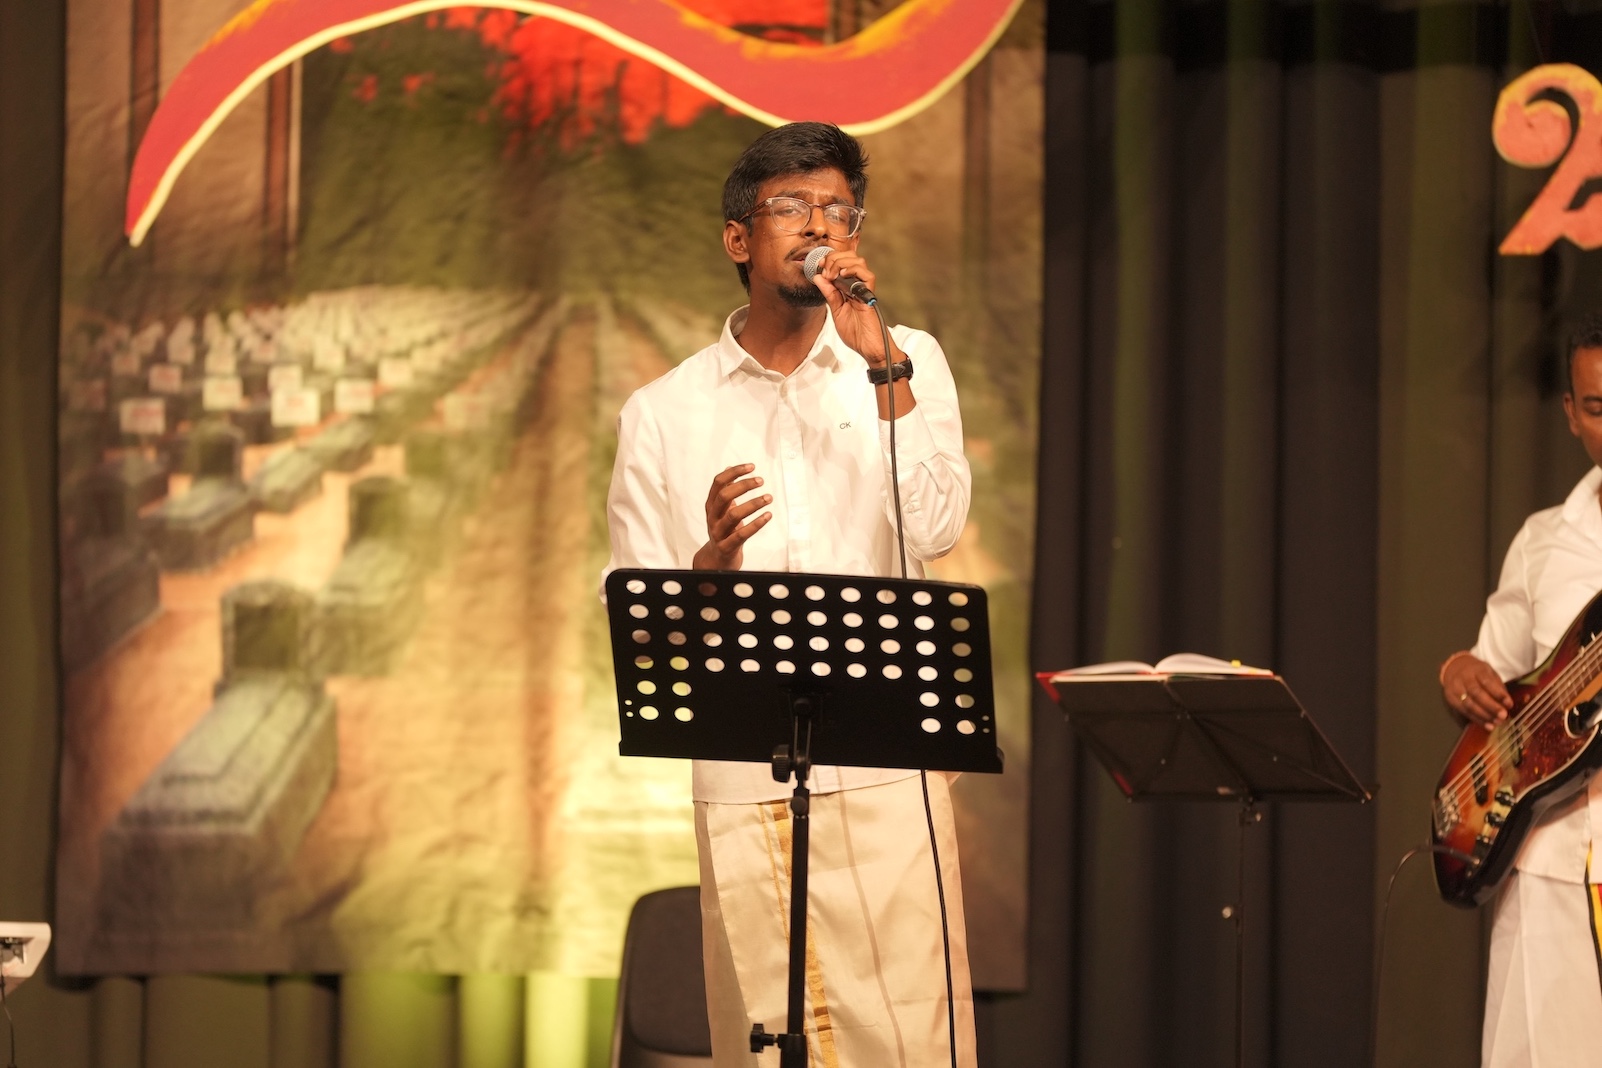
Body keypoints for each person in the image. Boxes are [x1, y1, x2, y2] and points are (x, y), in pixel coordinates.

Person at [604, 122, 977, 1067]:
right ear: (739, 238)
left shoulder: (904, 359)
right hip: (746, 775)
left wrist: (881, 366)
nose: (820, 225)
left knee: (907, 1040)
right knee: (770, 1040)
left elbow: (936, 527)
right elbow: (639, 625)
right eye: (794, 207)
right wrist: (707, 572)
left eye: (839, 210)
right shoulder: (664, 412)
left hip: (891, 768)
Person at [1440, 312, 1602, 1067]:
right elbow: (1490, 675)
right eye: (1597, 407)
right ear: (1570, 414)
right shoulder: (1543, 540)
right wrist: (1458, 675)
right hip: (1544, 863)